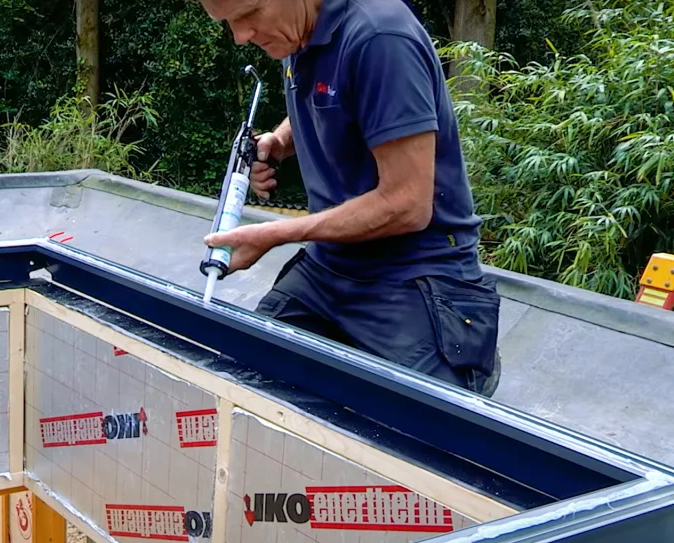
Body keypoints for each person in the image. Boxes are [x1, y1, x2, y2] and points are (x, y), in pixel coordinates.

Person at [198, 0, 502, 396]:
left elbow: (408, 205)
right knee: (246, 379)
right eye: (229, 24)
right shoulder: (296, 30)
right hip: (329, 267)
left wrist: (278, 234)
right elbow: (331, 94)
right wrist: (279, 142)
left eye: (248, 15)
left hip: (415, 275)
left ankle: (468, 359)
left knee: (422, 432)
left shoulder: (381, 38)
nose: (241, 37)